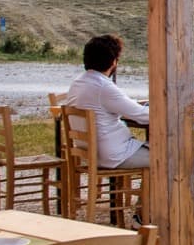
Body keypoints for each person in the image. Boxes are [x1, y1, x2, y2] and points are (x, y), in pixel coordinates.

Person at [64, 34, 151, 170]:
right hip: (114, 155)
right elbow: (143, 116)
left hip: (90, 153)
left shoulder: (78, 82)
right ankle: (162, 192)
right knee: (187, 160)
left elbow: (122, 104)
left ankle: (154, 191)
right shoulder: (103, 87)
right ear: (113, 62)